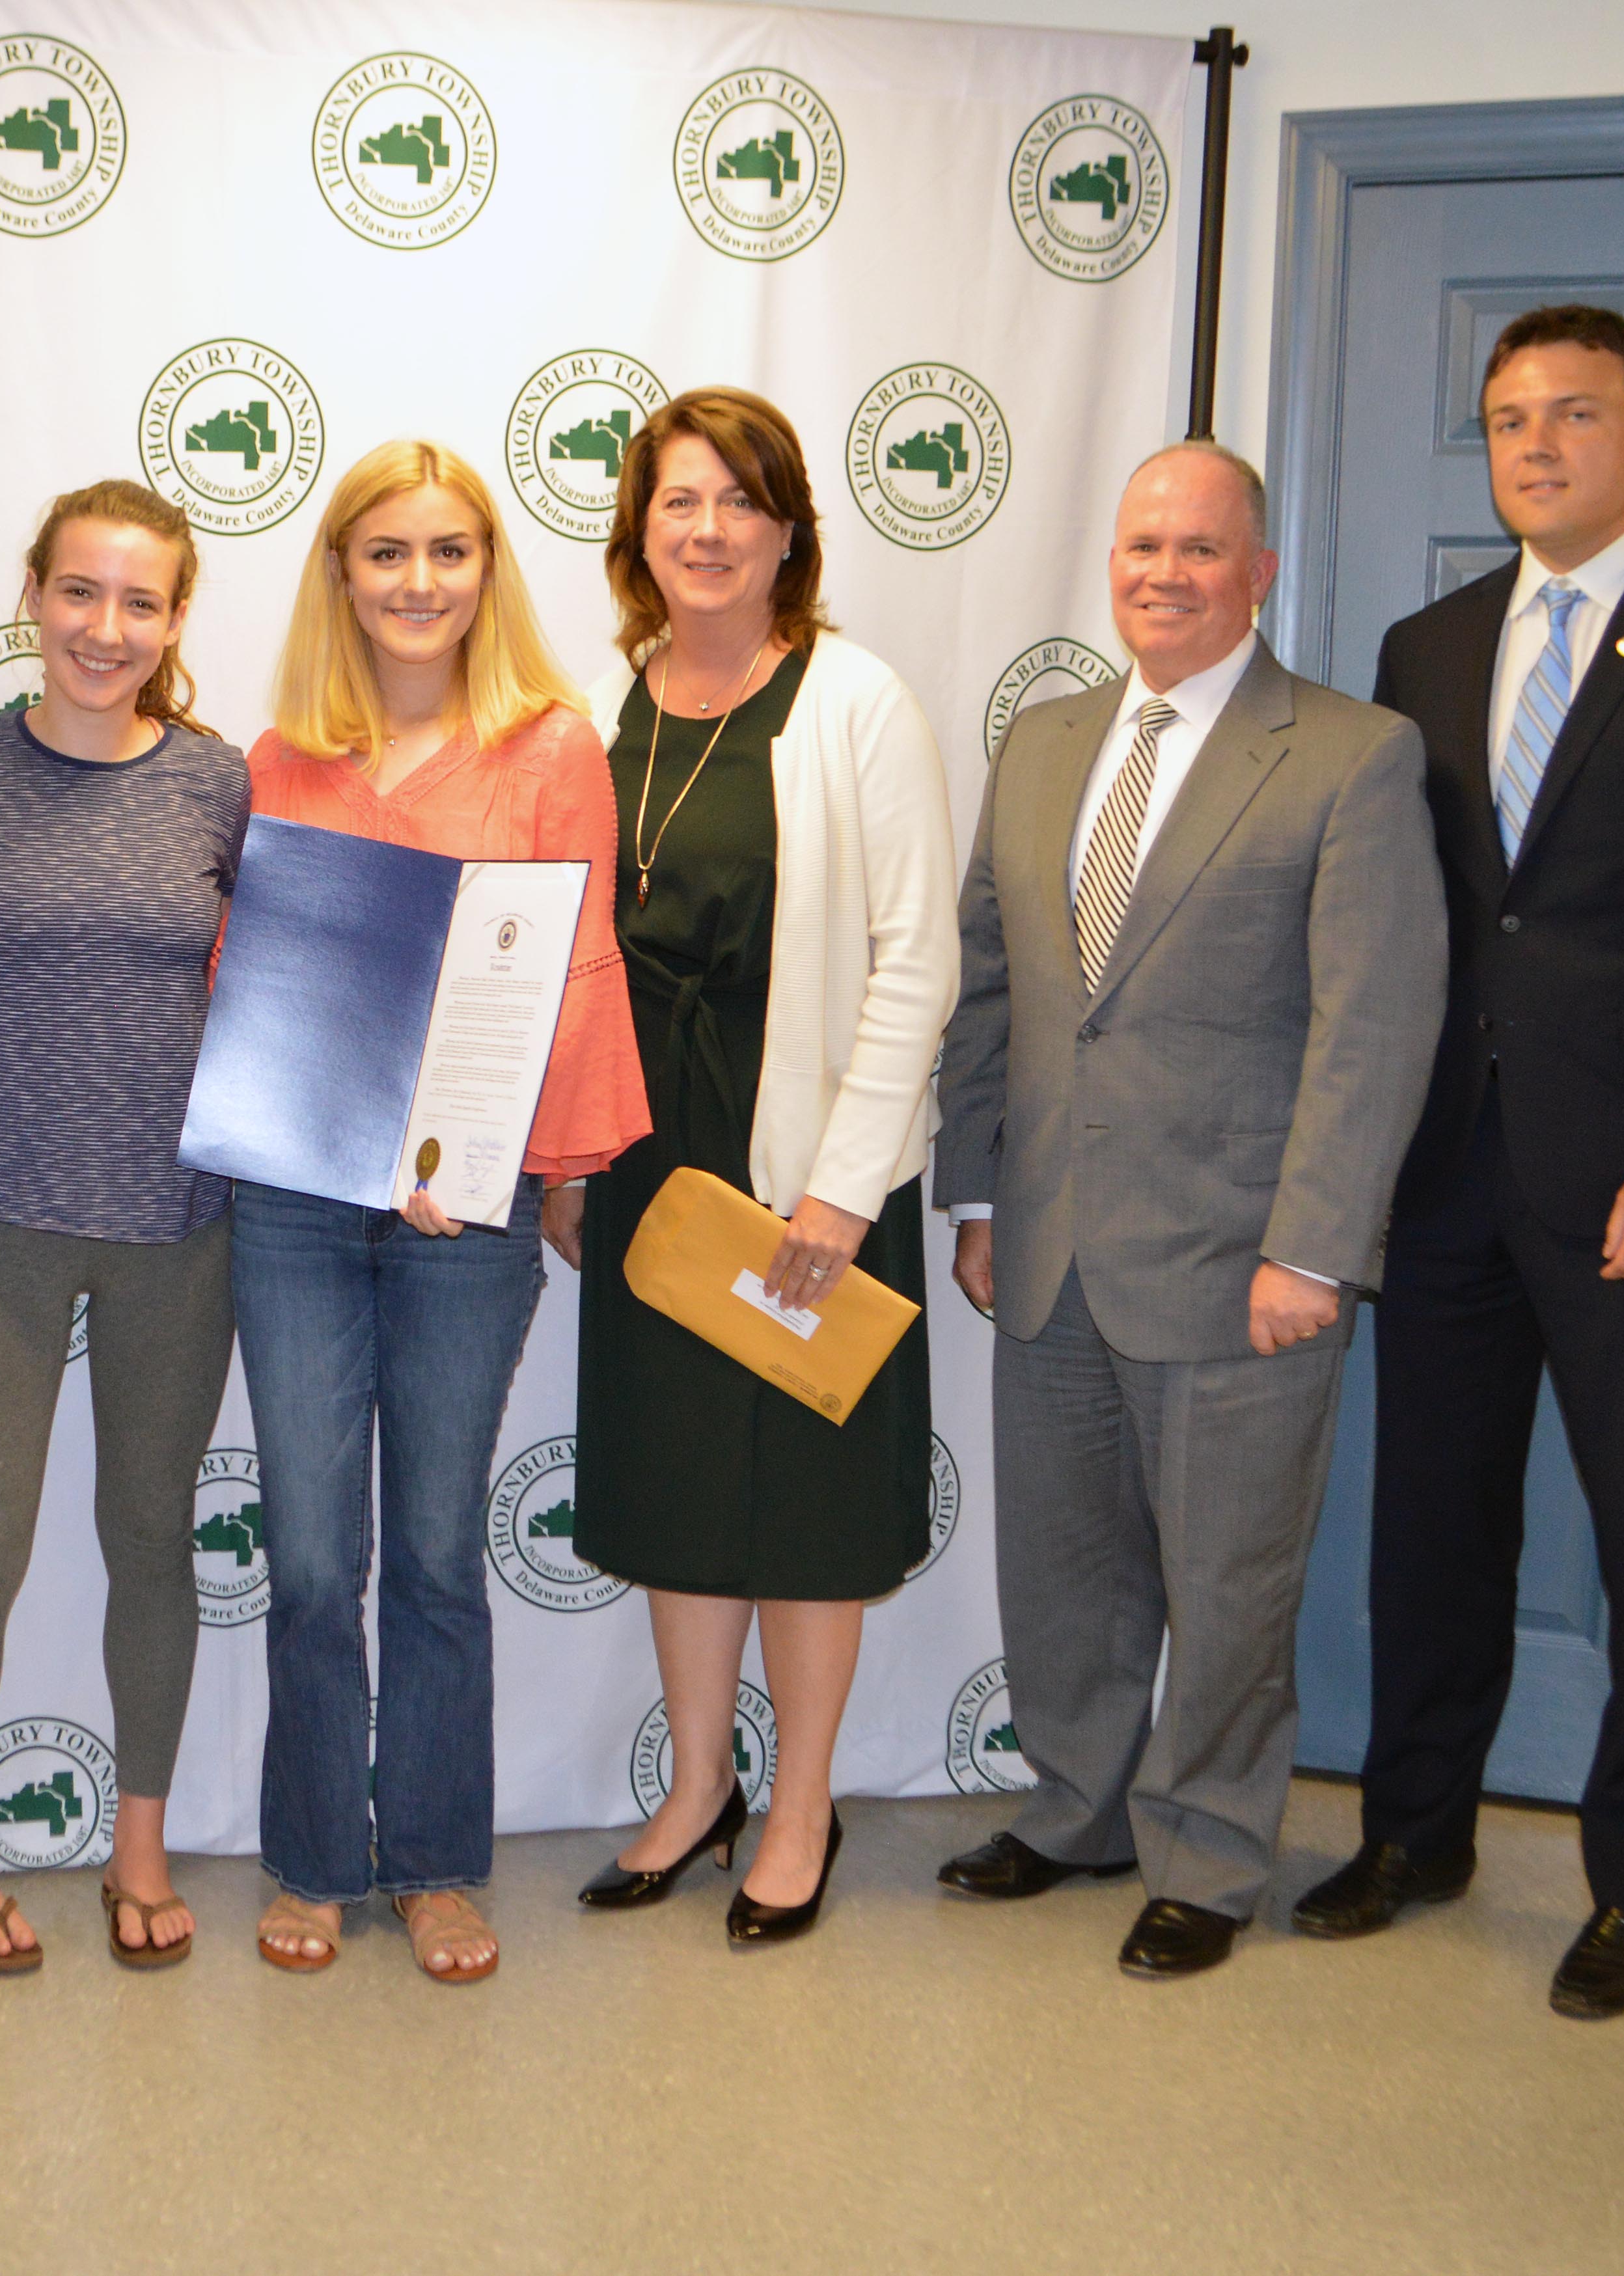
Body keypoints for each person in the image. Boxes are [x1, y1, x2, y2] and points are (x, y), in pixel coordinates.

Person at [1300, 306, 1624, 2018]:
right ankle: (1417, 1829)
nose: (1537, 447)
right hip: (1448, 1169)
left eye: (1577, 415)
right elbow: (1407, 924)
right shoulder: (1429, 642)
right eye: (1510, 418)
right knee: (1431, 1527)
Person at [931, 442, 1447, 1979]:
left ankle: (1211, 1854)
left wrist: (1315, 1246)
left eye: (1203, 549)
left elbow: (1375, 1025)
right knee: (1066, 1561)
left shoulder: (1354, 757)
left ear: (1261, 574)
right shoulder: (1043, 739)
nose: (1166, 571)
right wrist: (974, 1189)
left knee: (1228, 1578)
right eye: (1143, 544)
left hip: (1242, 1262)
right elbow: (994, 985)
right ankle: (1081, 1808)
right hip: (1049, 1239)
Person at [236, 440, 648, 1984]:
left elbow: (573, 974)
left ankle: (432, 1862)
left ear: (488, 572)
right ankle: (313, 1860)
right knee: (310, 1556)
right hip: (294, 1211)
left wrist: (544, 1169)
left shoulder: (549, 750)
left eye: (449, 552)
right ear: (340, 573)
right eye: (387, 553)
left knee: (431, 1552)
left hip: (461, 1223)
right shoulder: (280, 759)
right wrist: (348, 1145)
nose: (419, 583)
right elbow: (262, 1002)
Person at [565, 389, 957, 1943]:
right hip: (647, 1150)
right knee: (674, 1482)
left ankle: (802, 1806)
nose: (708, 530)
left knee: (802, 1490)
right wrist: (571, 1156)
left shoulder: (853, 701)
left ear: (789, 529)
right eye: (678, 502)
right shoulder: (608, 703)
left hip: (806, 1155)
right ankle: (697, 1787)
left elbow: (916, 962)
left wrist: (846, 1189)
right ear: (638, 532)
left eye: (739, 501)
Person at [0, 481, 247, 1972]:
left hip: (179, 1222)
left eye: (142, 602)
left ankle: (142, 1843)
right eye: (81, 594)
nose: (108, 630)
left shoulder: (221, 782)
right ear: (32, 595)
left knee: (150, 1539)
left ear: (177, 620)